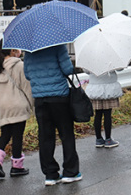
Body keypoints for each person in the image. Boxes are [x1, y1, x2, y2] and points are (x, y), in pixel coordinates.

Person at [23, 45, 82, 186]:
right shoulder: (58, 46)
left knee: (45, 137)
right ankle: (70, 172)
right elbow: (68, 69)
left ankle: (50, 174)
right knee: (66, 134)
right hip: (59, 96)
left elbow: (27, 74)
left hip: (40, 99)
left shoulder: (29, 50)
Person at [0, 44, 33, 178]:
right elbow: (27, 87)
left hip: (1, 107)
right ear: (13, 51)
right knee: (17, 135)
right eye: (18, 49)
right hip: (16, 105)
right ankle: (17, 167)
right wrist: (32, 105)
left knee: (5, 134)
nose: (20, 51)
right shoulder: (18, 65)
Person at [85, 71, 123, 148]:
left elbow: (86, 71)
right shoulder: (111, 58)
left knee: (98, 114)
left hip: (95, 89)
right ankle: (108, 139)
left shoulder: (91, 59)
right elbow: (120, 68)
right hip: (109, 88)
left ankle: (98, 139)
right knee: (107, 114)